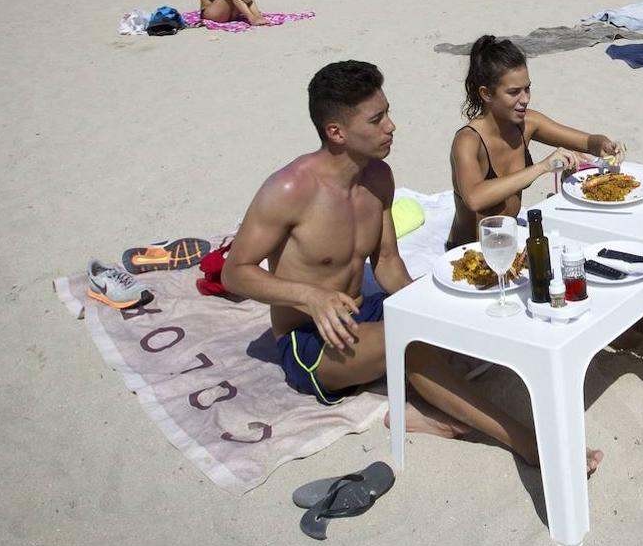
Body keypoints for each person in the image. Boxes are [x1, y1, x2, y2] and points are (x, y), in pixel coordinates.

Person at [221, 61, 603, 472]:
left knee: (457, 321)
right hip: (308, 339)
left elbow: (386, 263)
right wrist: (309, 297)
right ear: (337, 132)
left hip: (362, 310)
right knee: (412, 342)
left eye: (388, 112)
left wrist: (435, 307)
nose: (392, 126)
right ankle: (528, 442)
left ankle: (421, 413)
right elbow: (235, 271)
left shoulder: (379, 177)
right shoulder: (290, 189)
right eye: (377, 118)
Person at [448, 36, 625, 248]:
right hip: (469, 252)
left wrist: (605, 145)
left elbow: (588, 142)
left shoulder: (527, 123)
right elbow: (475, 198)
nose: (524, 99)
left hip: (510, 243)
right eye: (513, 92)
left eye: (527, 88)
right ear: (486, 94)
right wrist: (542, 167)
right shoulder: (467, 140)